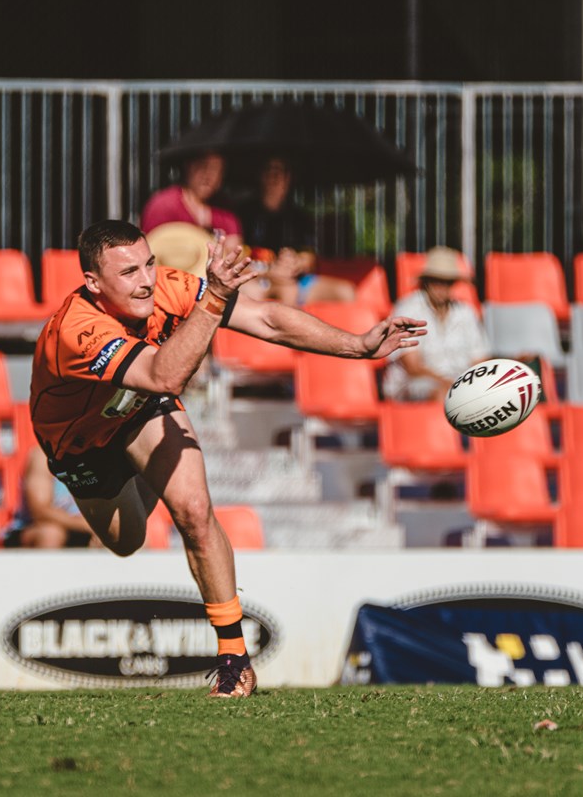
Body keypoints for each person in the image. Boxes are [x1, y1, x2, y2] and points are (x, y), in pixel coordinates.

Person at [30, 220, 426, 697]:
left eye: (149, 264)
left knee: (195, 512)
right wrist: (214, 297)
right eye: (129, 272)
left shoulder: (169, 287)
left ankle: (234, 660)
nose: (146, 280)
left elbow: (267, 319)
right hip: (83, 441)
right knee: (126, 540)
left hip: (140, 408)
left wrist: (357, 345)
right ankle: (148, 471)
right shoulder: (77, 330)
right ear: (94, 282)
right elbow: (164, 376)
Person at [382, 246, 490, 402]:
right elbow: (413, 367)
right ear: (426, 281)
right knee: (443, 395)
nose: (442, 286)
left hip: (457, 384)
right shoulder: (408, 309)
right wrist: (453, 385)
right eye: (436, 281)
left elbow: (480, 362)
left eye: (447, 282)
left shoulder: (466, 312)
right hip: (411, 384)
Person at [2, 445, 97, 549]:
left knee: (108, 533)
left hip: (83, 529)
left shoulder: (99, 454)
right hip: (33, 528)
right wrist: (85, 525)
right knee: (51, 534)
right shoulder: (43, 457)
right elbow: (40, 511)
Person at [140, 151, 242, 238]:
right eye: (202, 166)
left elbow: (234, 243)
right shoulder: (164, 205)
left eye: (215, 169)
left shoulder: (224, 209)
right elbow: (151, 246)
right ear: (188, 166)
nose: (208, 175)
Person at [236, 157, 314, 252]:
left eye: (277, 172)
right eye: (268, 170)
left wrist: (296, 258)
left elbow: (309, 254)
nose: (272, 177)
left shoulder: (300, 219)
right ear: (261, 176)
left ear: (288, 179)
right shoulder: (244, 213)